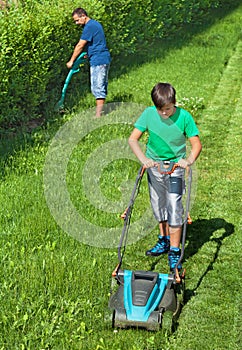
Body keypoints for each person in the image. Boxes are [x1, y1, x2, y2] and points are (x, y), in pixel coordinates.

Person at [128, 82, 202, 271]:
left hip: (175, 168)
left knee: (174, 207)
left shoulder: (184, 117)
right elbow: (133, 139)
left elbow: (196, 144)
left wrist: (189, 160)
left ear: (174, 102)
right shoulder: (148, 114)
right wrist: (144, 159)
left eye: (167, 109)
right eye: (160, 110)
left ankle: (175, 251)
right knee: (158, 205)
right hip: (154, 167)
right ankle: (164, 240)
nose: (164, 113)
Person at [66, 8, 111, 117]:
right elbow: (97, 43)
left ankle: (98, 115)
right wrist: (89, 53)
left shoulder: (89, 27)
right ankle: (99, 112)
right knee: (100, 86)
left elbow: (80, 45)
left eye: (77, 20)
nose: (76, 23)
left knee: (98, 87)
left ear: (83, 16)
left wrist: (71, 61)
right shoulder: (95, 24)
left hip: (99, 60)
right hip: (102, 58)